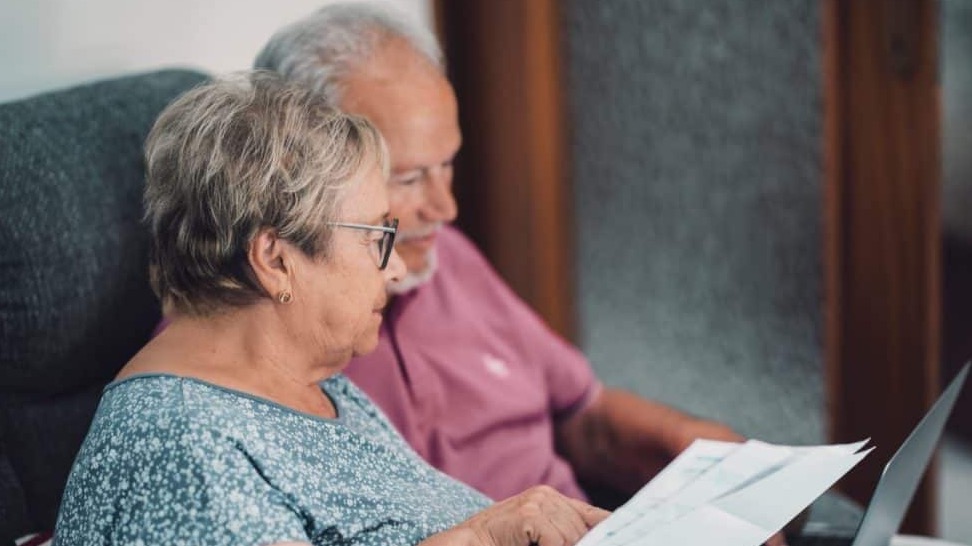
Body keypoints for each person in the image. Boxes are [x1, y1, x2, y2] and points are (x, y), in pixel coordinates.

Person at [54, 73, 608, 546]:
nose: (393, 270)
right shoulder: (174, 446)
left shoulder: (317, 384)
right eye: (375, 239)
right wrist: (479, 537)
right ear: (275, 259)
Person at [253, 3, 747, 505]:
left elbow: (584, 417)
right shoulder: (250, 348)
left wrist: (690, 442)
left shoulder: (448, 256)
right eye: (407, 178)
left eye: (446, 165)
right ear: (301, 176)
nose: (445, 207)